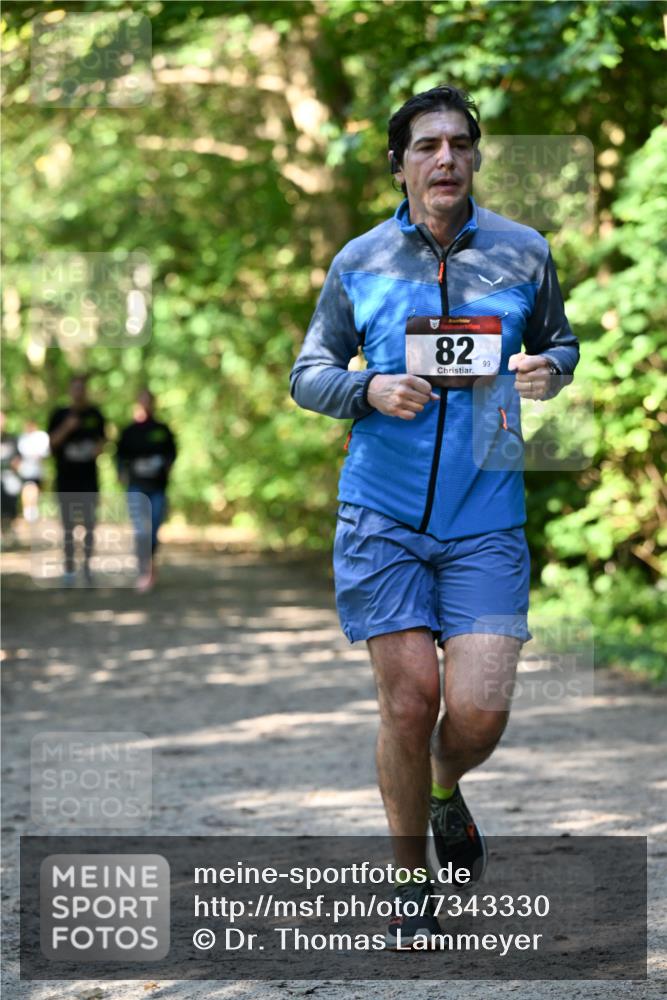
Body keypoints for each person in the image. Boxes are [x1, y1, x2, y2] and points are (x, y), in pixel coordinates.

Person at [290, 84, 579, 948]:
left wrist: (549, 371)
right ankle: (409, 881)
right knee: (410, 703)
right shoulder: (360, 260)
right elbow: (308, 370)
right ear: (399, 164)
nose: (444, 158)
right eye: (426, 145)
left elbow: (560, 342)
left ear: (476, 158)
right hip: (381, 514)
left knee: (480, 711)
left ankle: (447, 790)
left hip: (485, 513)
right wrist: (365, 386)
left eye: (458, 143)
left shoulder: (523, 254)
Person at [47, 374, 106, 585]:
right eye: (75, 388)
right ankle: (69, 568)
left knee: (90, 525)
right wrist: (67, 428)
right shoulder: (59, 415)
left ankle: (88, 567)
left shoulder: (95, 414)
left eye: (82, 388)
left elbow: (103, 443)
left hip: (88, 480)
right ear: (70, 391)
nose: (79, 392)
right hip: (66, 480)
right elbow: (51, 445)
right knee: (68, 526)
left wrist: (95, 449)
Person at [116, 389, 176, 592]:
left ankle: (150, 566)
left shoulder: (162, 430)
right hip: (136, 488)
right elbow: (119, 457)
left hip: (158, 488)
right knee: (141, 530)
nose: (145, 405)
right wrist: (121, 472)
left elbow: (172, 453)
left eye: (148, 401)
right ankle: (144, 571)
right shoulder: (129, 432)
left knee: (153, 530)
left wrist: (166, 466)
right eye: (141, 401)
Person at [17, 419, 50, 523]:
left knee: (36, 489)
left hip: (38, 470)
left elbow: (44, 453)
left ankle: (32, 509)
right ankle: (29, 511)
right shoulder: (23, 438)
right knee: (28, 488)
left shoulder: (41, 436)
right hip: (26, 470)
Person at [1, 411, 22, 545]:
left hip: (9, 476)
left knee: (11, 487)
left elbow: (18, 460)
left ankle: (9, 525)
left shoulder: (11, 439)